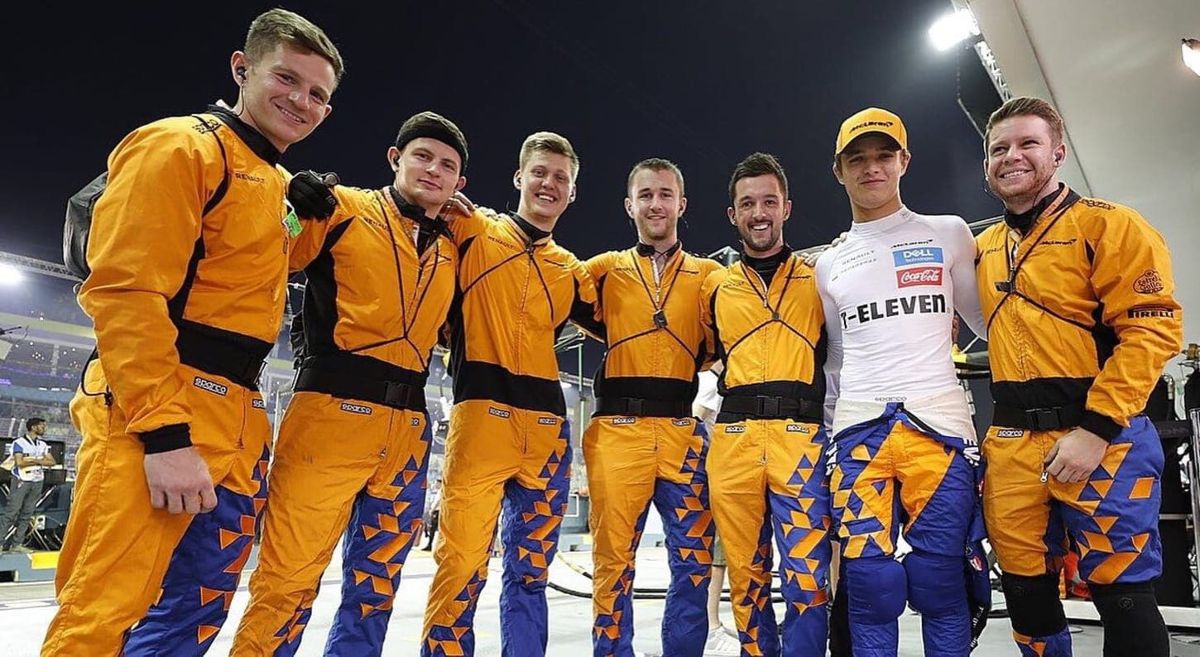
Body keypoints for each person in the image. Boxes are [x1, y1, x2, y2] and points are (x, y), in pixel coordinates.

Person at [41, 10, 343, 656]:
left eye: (319, 94)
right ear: (242, 68)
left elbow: (251, 265)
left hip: (236, 424)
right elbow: (125, 292)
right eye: (287, 78)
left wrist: (300, 218)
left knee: (194, 612)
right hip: (157, 413)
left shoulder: (273, 183)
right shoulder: (180, 147)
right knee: (101, 613)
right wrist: (164, 435)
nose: (303, 101)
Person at [231, 111, 467, 656]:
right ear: (395, 159)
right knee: (286, 581)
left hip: (409, 429)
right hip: (330, 417)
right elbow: (269, 248)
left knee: (376, 587)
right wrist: (290, 208)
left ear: (459, 183)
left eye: (447, 165)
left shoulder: (454, 245)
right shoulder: (341, 208)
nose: (433, 171)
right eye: (423, 157)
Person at [976, 97, 1182, 657]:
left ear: (1059, 153)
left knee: (1123, 595)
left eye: (1028, 144)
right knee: (1025, 594)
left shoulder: (1109, 225)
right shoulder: (983, 248)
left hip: (1104, 440)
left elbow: (1152, 330)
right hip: (1013, 442)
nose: (1011, 156)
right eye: (999, 148)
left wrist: (1095, 430)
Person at [816, 107, 989, 657]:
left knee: (942, 585)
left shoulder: (950, 233)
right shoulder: (828, 263)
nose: (872, 168)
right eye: (857, 159)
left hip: (939, 430)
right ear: (838, 170)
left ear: (904, 161)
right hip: (856, 436)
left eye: (883, 155)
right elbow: (836, 362)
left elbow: (991, 326)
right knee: (870, 589)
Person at [421, 132, 598, 657]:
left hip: (547, 432)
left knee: (531, 574)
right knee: (460, 564)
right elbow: (411, 218)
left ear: (572, 193)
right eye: (540, 173)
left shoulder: (571, 268)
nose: (550, 184)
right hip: (481, 420)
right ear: (520, 178)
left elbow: (630, 320)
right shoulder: (470, 228)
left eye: (561, 178)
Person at [581, 158, 722, 657]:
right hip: (617, 432)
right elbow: (534, 274)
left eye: (665, 194)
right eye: (645, 195)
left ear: (682, 204)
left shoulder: (710, 277)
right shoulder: (600, 271)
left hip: (684, 433)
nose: (655, 203)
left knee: (695, 560)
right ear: (629, 206)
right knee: (612, 561)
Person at [698, 153, 831, 657]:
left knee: (806, 576)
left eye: (768, 202)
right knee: (745, 577)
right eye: (747, 203)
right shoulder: (714, 286)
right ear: (732, 214)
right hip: (733, 441)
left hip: (801, 440)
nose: (759, 212)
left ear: (787, 208)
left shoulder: (820, 277)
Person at [693, 370, 740, 657]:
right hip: (712, 476)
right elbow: (695, 421)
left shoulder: (711, 381)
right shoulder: (711, 383)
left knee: (719, 555)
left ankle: (712, 625)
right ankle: (710, 627)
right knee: (716, 557)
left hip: (719, 473)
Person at [1, 418, 55, 553]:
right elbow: (20, 463)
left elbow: (52, 462)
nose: (44, 428)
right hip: (21, 480)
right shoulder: (18, 443)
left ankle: (16, 544)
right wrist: (41, 461)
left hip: (37, 480)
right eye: (42, 426)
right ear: (33, 427)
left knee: (27, 513)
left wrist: (33, 460)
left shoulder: (42, 445)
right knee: (11, 513)